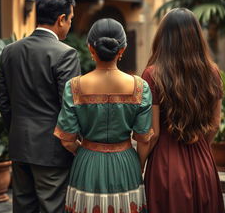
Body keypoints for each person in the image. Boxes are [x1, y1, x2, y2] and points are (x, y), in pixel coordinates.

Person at [53, 18, 154, 213]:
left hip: (87, 164)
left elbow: (66, 140)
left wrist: (84, 151)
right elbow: (143, 139)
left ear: (91, 48)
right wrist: (138, 165)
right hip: (126, 165)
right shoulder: (140, 87)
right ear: (122, 50)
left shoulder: (74, 87)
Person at [0, 0, 81, 213]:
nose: (70, 25)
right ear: (60, 19)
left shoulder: (9, 51)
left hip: (19, 144)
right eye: (70, 19)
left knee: (23, 206)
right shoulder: (66, 54)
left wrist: (16, 130)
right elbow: (69, 107)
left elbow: (3, 102)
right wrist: (72, 143)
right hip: (51, 150)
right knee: (52, 207)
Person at [142, 8, 225, 213]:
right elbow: (214, 124)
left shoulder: (152, 75)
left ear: (164, 37)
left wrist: (139, 166)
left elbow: (153, 134)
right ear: (196, 36)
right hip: (202, 160)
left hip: (165, 163)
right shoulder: (212, 72)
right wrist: (200, 149)